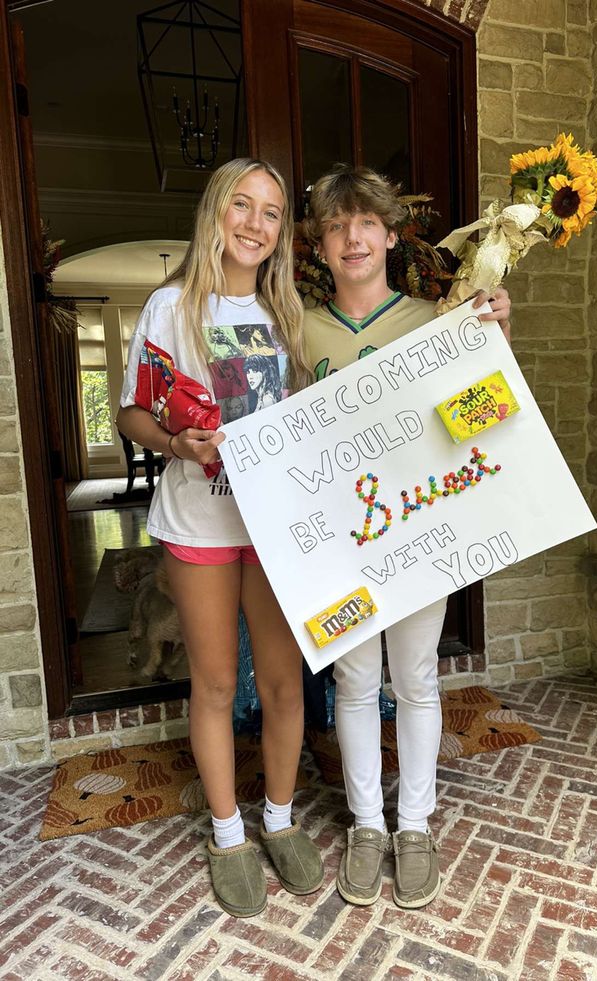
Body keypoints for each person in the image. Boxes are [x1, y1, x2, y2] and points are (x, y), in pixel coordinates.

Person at [116, 158, 322, 918]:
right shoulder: (171, 308)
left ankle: (278, 816)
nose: (255, 224)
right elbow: (133, 415)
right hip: (200, 519)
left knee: (283, 680)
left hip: (274, 529)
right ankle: (229, 832)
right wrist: (180, 445)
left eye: (271, 213)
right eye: (242, 205)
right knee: (213, 681)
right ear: (216, 212)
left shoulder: (290, 316)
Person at [302, 165, 511, 910]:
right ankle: (366, 824)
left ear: (392, 235)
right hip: (341, 538)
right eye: (335, 225)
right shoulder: (300, 329)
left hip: (420, 528)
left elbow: (480, 415)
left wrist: (496, 341)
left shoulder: (437, 319)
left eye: (366, 223)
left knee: (416, 678)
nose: (352, 236)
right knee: (355, 682)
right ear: (321, 245)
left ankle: (414, 824)